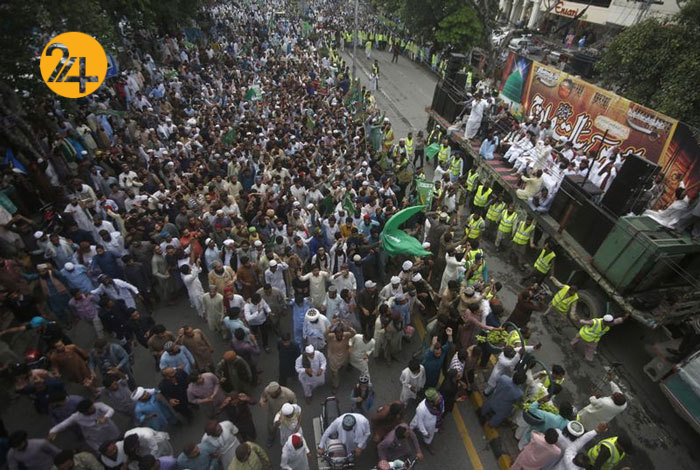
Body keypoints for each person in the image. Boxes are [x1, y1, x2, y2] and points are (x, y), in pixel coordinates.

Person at [48, 399, 120, 451]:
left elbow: (110, 410)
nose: (93, 409)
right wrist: (53, 431)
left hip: (109, 429)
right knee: (104, 450)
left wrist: (105, 417)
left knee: (118, 441)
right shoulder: (76, 416)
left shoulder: (98, 405)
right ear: (83, 412)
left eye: (92, 407)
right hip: (95, 436)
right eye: (90, 409)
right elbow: (63, 424)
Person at [259, 381, 297, 448]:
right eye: (269, 394)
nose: (269, 395)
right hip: (272, 412)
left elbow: (294, 405)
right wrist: (262, 401)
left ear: (278, 391)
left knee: (287, 429)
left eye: (272, 395)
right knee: (271, 427)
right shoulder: (267, 390)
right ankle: (271, 438)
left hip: (285, 415)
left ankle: (289, 441)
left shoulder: (289, 394)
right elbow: (263, 396)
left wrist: (288, 415)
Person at [409, 388, 444, 454]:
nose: (439, 399)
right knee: (414, 425)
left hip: (434, 423)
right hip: (425, 425)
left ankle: (427, 443)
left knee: (430, 435)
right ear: (431, 402)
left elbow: (442, 409)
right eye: (437, 399)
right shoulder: (421, 409)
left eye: (438, 396)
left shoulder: (440, 400)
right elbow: (420, 422)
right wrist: (425, 433)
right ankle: (410, 432)